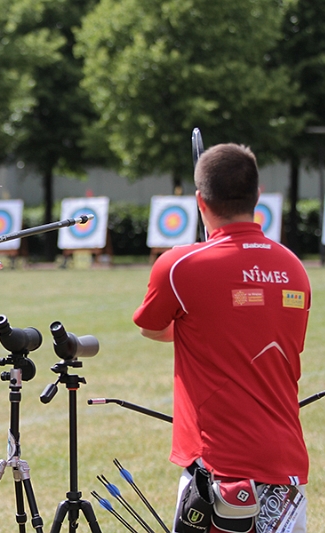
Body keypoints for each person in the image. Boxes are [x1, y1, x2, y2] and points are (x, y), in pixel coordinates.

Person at [132, 144, 311, 533]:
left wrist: (198, 325)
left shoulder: (178, 266)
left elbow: (151, 328)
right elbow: (267, 332)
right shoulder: (293, 267)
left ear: (200, 201)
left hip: (217, 468)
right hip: (286, 463)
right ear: (257, 195)